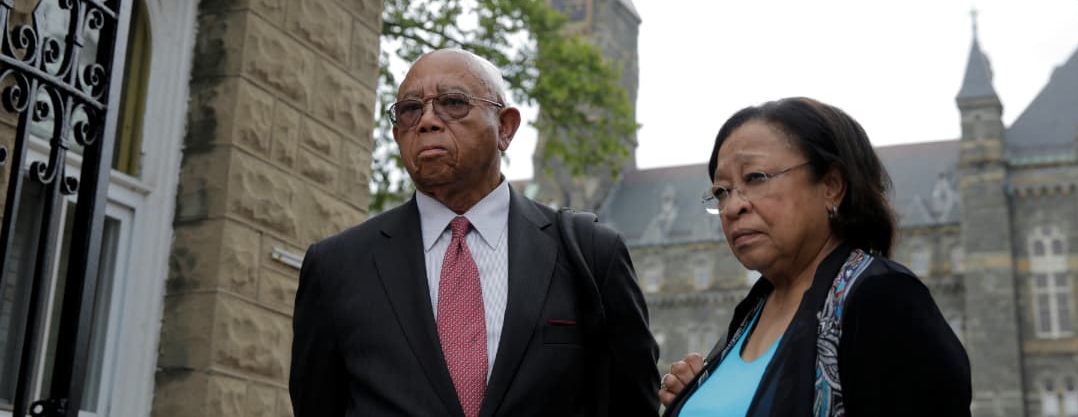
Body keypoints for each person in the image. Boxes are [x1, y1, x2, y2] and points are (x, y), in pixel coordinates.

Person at [289, 49, 660, 417]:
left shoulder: (591, 254)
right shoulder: (337, 266)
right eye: (410, 110)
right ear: (397, 133)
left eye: (453, 103)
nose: (428, 121)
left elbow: (633, 404)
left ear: (505, 127)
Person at [658, 97, 970, 417]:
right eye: (722, 191)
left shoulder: (882, 298)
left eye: (755, 177)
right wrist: (698, 397)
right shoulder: (750, 314)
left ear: (831, 186)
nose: (733, 207)